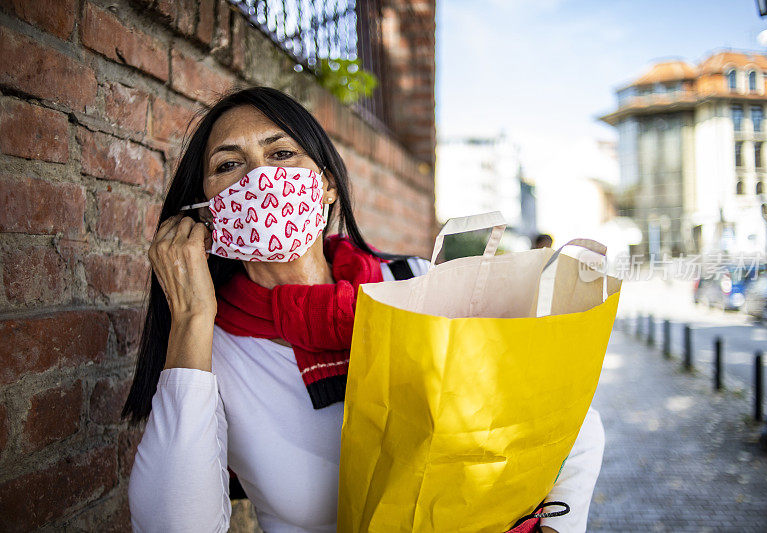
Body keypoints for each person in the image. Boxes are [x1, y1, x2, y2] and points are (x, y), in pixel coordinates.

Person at [123, 87, 604, 533]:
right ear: (209, 209)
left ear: (327, 184)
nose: (259, 179)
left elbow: (568, 421)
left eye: (281, 153)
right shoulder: (211, 349)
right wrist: (190, 318)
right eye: (229, 165)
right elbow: (175, 523)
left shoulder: (417, 282)